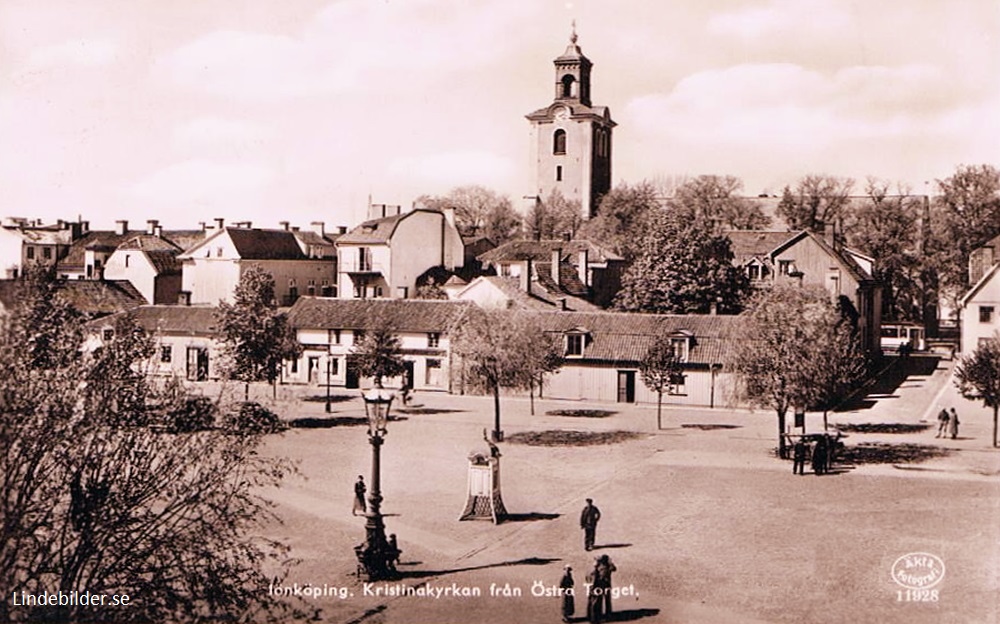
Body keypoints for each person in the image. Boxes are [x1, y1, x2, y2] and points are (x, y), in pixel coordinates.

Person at [585, 559, 604, 623]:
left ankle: (589, 617)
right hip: (595, 590)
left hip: (590, 589)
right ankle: (594, 619)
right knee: (595, 605)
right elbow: (594, 582)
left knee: (590, 603)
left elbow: (587, 578)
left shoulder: (589, 571)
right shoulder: (595, 573)